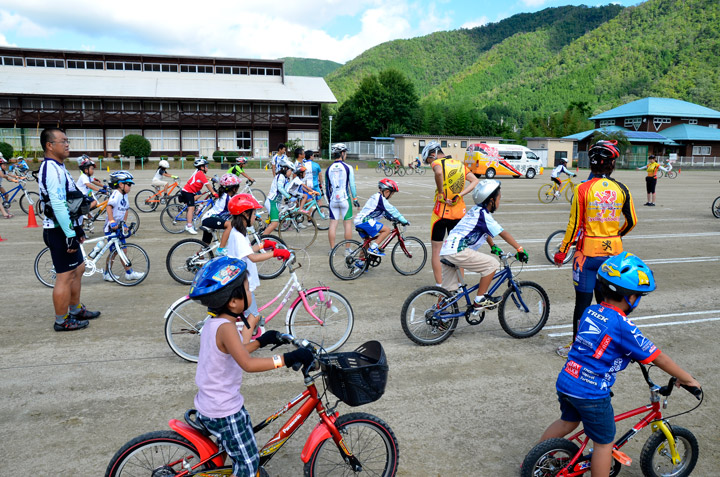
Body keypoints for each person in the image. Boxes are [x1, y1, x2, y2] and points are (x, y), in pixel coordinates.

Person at [536, 252, 701, 476]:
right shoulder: (623, 326)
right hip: (590, 392)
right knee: (604, 443)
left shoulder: (591, 311)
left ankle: (537, 459)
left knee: (567, 421)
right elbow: (658, 357)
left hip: (567, 380)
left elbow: (598, 343)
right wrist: (687, 378)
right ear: (630, 298)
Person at [188, 256, 314, 477]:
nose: (251, 294)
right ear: (233, 302)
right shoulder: (226, 328)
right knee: (249, 464)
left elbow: (237, 352)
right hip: (224, 411)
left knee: (240, 447)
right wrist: (286, 359)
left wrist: (263, 341)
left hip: (212, 404)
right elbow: (246, 364)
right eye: (247, 289)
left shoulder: (215, 324)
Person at [554, 140, 637, 357]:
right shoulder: (622, 188)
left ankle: (577, 347)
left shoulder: (583, 188)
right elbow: (632, 221)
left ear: (592, 163)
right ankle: (609, 346)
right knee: (609, 306)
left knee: (582, 304)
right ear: (611, 164)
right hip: (613, 257)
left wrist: (563, 250)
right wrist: (617, 234)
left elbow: (574, 225)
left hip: (586, 256)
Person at [37, 128, 100, 331]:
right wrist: (70, 234)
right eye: (62, 141)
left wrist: (77, 228)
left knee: (78, 269)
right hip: (59, 230)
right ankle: (61, 320)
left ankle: (75, 309)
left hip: (68, 227)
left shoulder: (59, 167)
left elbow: (69, 200)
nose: (67, 144)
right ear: (49, 145)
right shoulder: (51, 169)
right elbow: (57, 205)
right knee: (65, 276)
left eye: (67, 140)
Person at [440, 180, 528, 309]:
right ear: (491, 201)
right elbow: (503, 233)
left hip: (447, 250)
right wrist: (519, 249)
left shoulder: (475, 211)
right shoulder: (484, 215)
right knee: (492, 264)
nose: (499, 202)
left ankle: (438, 316)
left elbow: (484, 231)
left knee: (448, 290)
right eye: (499, 199)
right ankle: (480, 299)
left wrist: (493, 246)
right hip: (458, 251)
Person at [223, 194, 290, 335]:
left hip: (239, 280)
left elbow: (246, 252)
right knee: (253, 317)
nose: (256, 217)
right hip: (241, 284)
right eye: (254, 213)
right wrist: (275, 253)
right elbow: (252, 258)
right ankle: (244, 350)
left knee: (246, 315)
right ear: (245, 214)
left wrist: (262, 245)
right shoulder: (238, 236)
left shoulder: (239, 232)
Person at [424, 140, 479, 288]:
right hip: (458, 213)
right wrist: (460, 195)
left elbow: (439, 172)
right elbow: (475, 181)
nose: (429, 163)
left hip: (440, 213)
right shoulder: (460, 164)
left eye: (428, 160)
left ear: (433, 154)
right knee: (458, 249)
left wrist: (441, 192)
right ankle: (460, 286)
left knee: (436, 250)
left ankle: (440, 286)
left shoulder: (437, 163)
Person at [103, 170, 144, 282]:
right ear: (121, 184)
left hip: (119, 228)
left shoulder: (124, 196)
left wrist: (124, 223)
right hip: (110, 229)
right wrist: (112, 221)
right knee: (114, 252)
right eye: (129, 184)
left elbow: (126, 210)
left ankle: (129, 273)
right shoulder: (116, 194)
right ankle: (107, 273)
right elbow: (109, 207)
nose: (130, 187)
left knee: (123, 250)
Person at [354, 178, 409, 259]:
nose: (391, 196)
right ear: (387, 191)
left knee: (366, 242)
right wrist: (403, 220)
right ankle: (374, 248)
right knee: (386, 230)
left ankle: (361, 263)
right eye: (391, 194)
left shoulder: (376, 197)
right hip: (365, 221)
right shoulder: (381, 200)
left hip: (359, 220)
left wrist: (392, 219)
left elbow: (385, 213)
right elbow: (393, 210)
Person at [325, 143, 359, 252]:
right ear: (342, 153)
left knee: (333, 224)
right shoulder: (348, 167)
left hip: (333, 199)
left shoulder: (328, 169)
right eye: (346, 153)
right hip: (345, 198)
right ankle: (347, 250)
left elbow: (327, 187)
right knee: (347, 223)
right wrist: (355, 199)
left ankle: (332, 249)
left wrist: (329, 200)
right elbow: (352, 185)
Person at [200, 173, 241, 246]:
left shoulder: (227, 196)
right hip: (209, 219)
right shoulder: (227, 198)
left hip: (210, 218)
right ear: (234, 188)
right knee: (230, 225)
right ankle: (221, 248)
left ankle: (199, 256)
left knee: (205, 244)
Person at [179, 158, 216, 235]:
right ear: (202, 167)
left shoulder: (200, 173)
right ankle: (189, 226)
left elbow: (206, 178)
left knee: (191, 207)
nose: (207, 167)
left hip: (190, 192)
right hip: (188, 192)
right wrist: (213, 192)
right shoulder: (200, 174)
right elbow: (207, 184)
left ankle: (188, 224)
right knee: (191, 208)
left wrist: (212, 179)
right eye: (206, 166)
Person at [263, 159, 294, 236]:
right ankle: (261, 241)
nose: (291, 173)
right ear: (286, 169)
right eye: (291, 170)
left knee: (273, 222)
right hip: (272, 202)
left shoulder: (284, 178)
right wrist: (289, 196)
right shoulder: (280, 177)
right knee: (274, 224)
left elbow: (287, 189)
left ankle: (263, 235)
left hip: (275, 202)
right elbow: (280, 188)